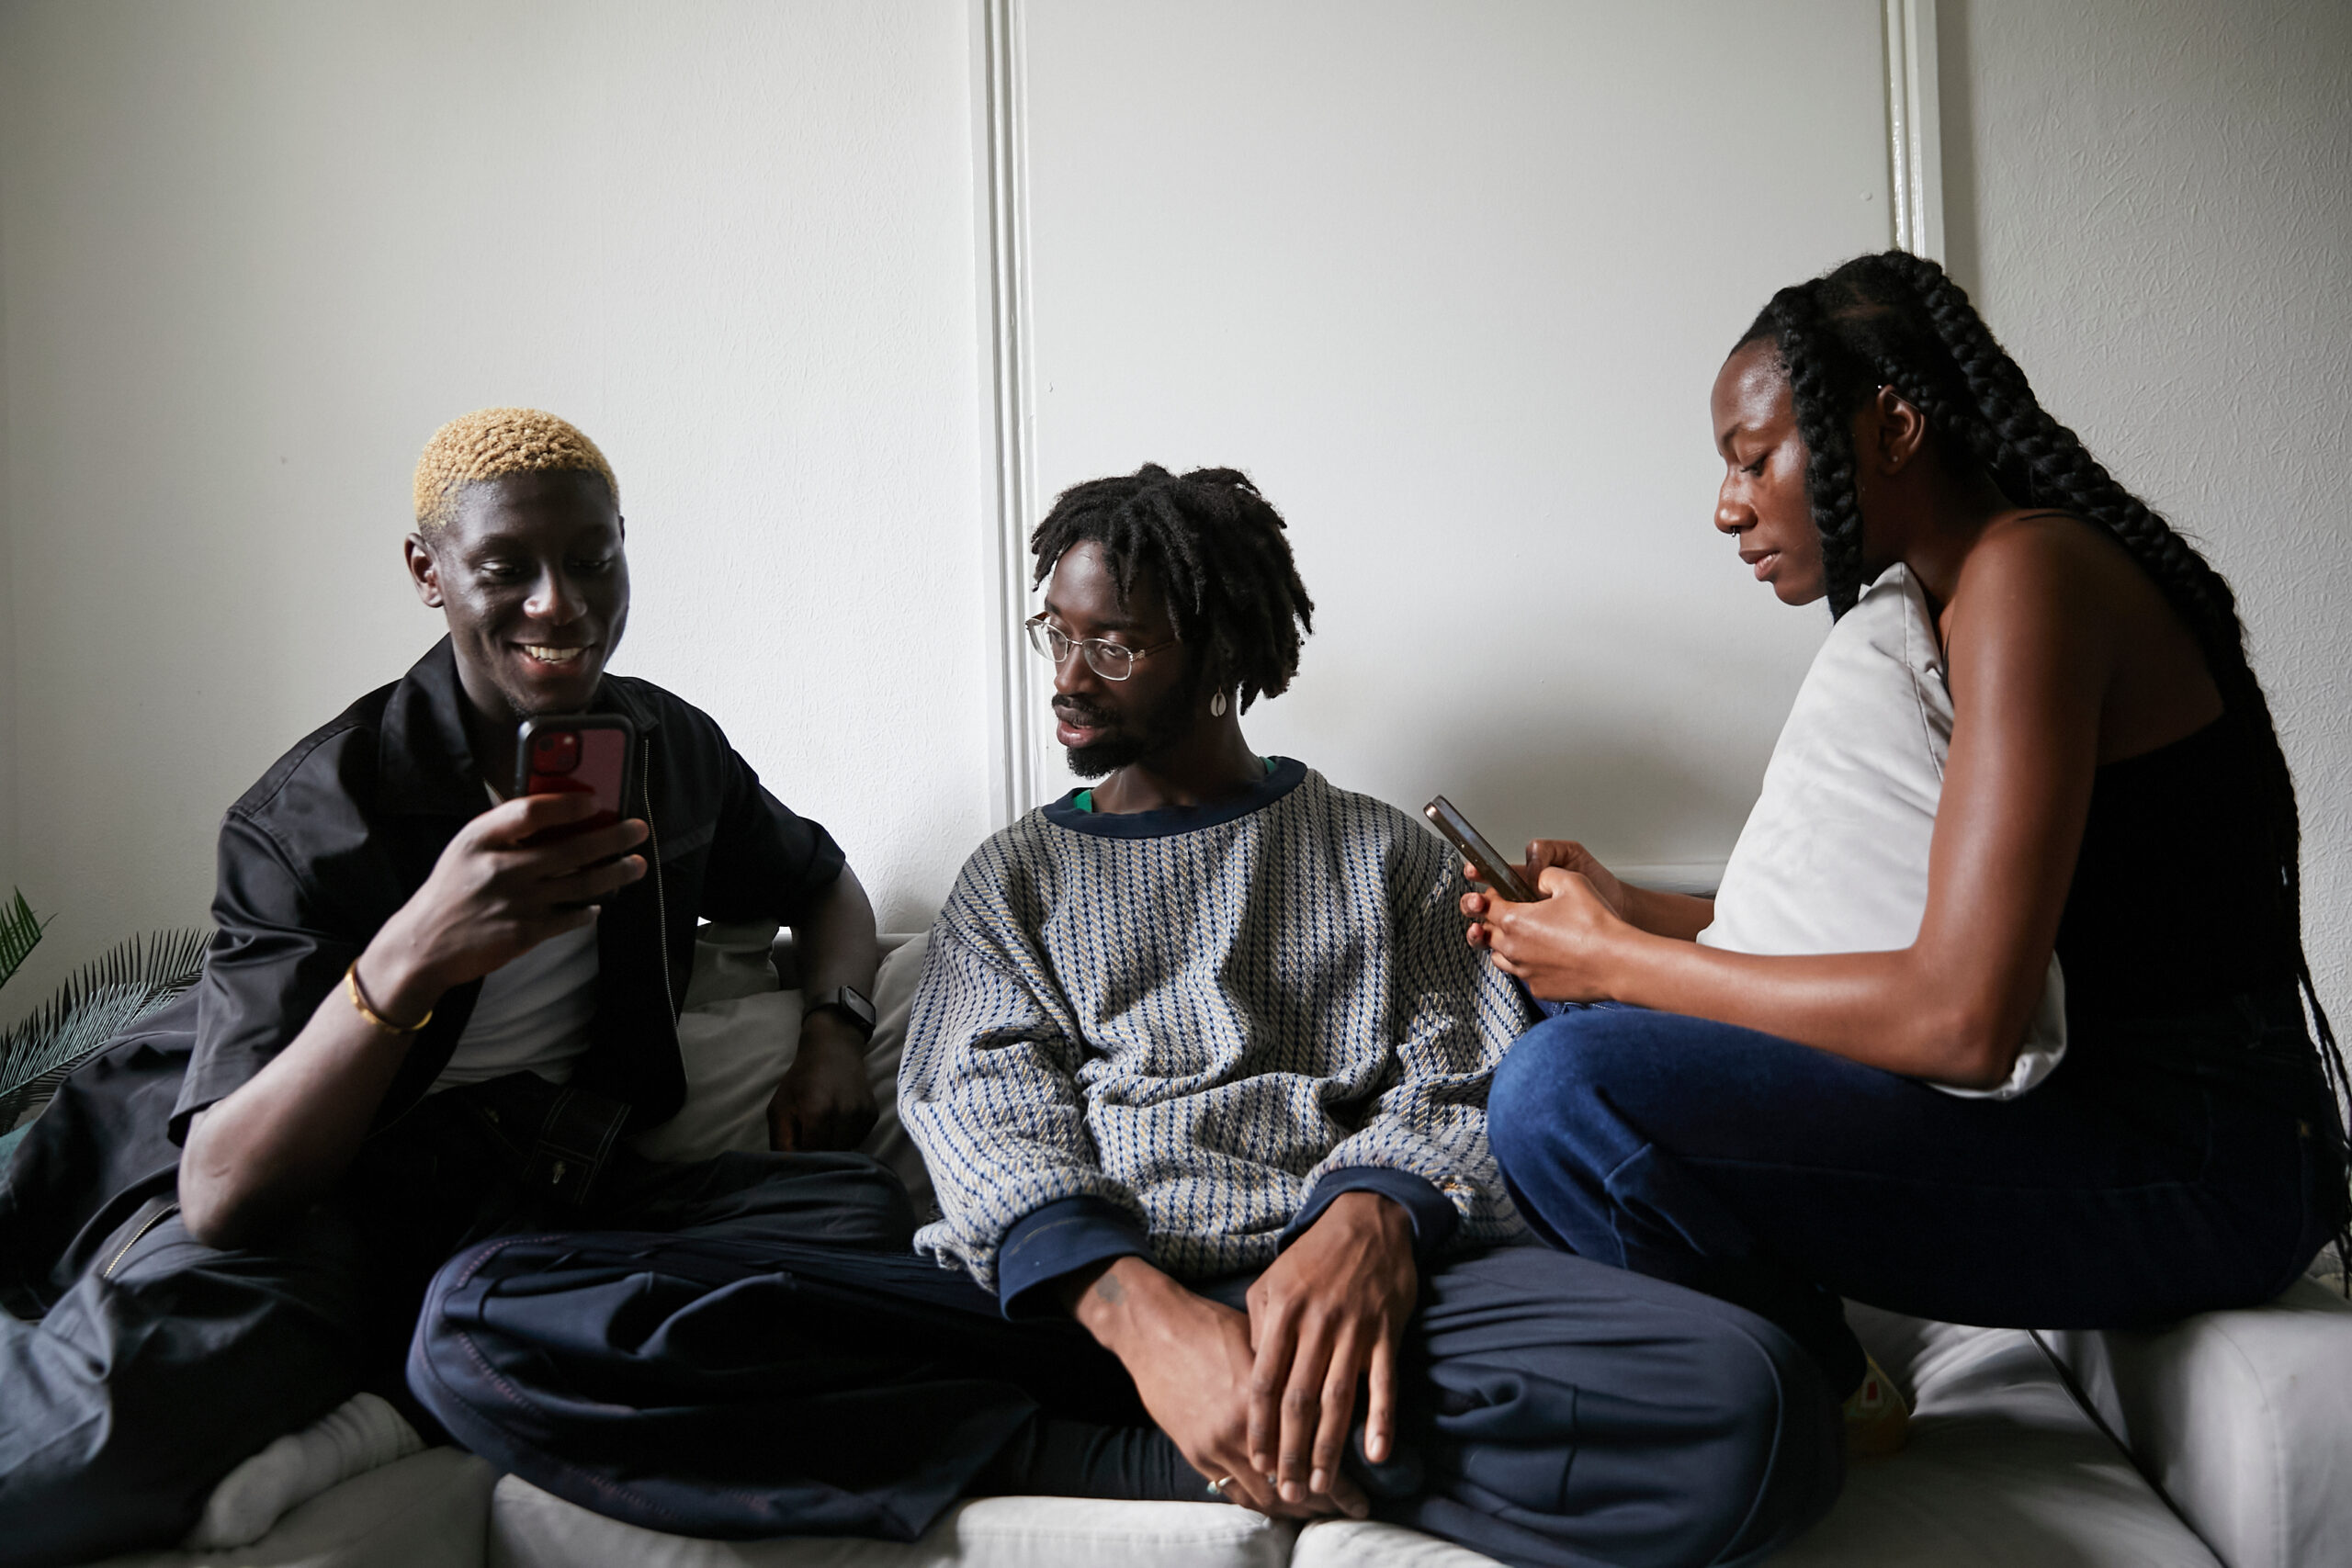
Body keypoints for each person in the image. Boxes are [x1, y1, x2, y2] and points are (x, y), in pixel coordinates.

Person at [406, 464, 1842, 1568]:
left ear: (1218, 652)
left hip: (1336, 1302)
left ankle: (1232, 1428)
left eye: (1118, 645)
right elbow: (974, 1106)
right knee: (479, 1320)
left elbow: (1466, 1069)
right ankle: (1153, 1447)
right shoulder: (1018, 872)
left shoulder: (1376, 851)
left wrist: (1370, 1224)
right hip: (1061, 1304)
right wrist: (1143, 1320)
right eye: (1059, 634)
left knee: (1762, 1401)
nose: (1067, 680)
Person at [0, 408, 888, 1564]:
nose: (558, 604)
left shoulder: (668, 752)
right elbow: (227, 1190)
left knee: (859, 1232)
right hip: (317, 1204)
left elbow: (827, 888)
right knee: (71, 1463)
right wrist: (415, 951)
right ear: (429, 574)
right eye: (505, 569)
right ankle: (390, 1386)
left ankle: (395, 1400)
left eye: (590, 559)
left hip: (546, 1202)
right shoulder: (317, 818)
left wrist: (835, 1027)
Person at [1469, 253, 2351, 1410]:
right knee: (1559, 1013)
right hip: (2097, 1112)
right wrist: (1635, 920)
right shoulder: (1954, 599)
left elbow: (1963, 1019)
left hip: (2202, 1163)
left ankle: (1810, 1393)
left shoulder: (2032, 577)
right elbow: (1919, 919)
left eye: (1752, 459)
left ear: (1889, 427)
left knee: (1563, 1087)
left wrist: (1627, 962)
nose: (1728, 505)